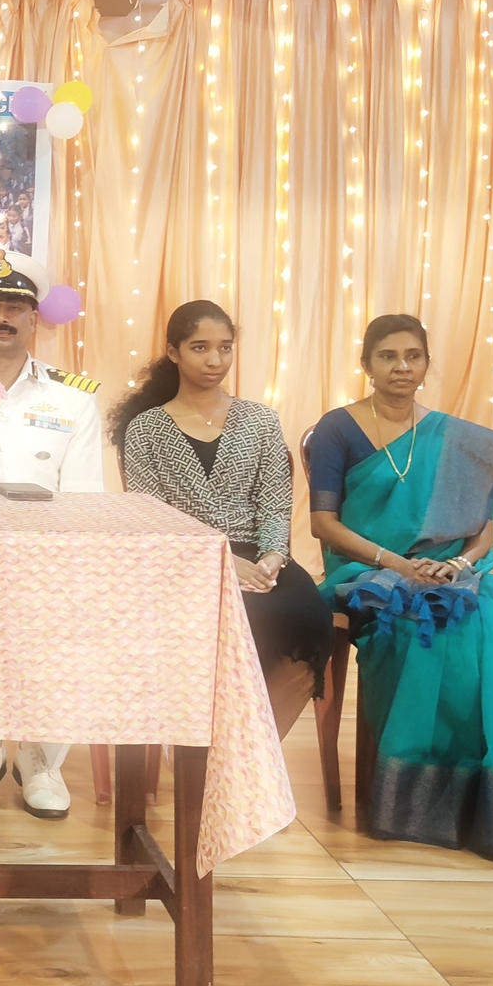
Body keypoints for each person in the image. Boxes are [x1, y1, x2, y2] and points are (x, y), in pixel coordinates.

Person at [306, 313, 493, 863]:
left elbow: (484, 526)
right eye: (388, 356)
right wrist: (399, 563)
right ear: (366, 365)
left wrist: (458, 563)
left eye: (413, 356)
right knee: (432, 626)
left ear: (426, 364)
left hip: (448, 571)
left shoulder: (453, 437)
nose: (402, 367)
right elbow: (325, 524)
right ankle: (422, 800)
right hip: (369, 574)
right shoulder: (337, 429)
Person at [112, 300, 330, 737]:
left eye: (225, 347)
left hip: (261, 560)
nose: (215, 360)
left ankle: (254, 756)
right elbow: (151, 520)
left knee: (307, 614)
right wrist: (222, 561)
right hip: (181, 564)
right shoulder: (145, 429)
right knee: (240, 616)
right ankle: (220, 752)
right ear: (173, 352)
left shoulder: (260, 420)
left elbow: (274, 505)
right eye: (200, 347)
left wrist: (272, 557)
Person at [0, 247, 105, 822]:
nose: (1, 317)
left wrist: (65, 570)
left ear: (34, 318)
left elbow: (84, 500)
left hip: (48, 559)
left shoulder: (74, 396)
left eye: (13, 306)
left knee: (73, 630)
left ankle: (41, 761)